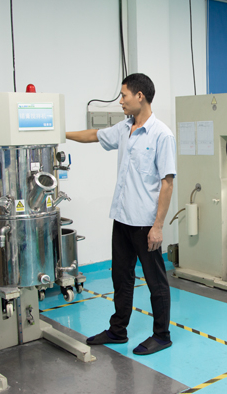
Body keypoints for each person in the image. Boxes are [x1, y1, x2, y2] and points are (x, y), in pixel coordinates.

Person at [66, 73, 176, 355]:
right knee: (121, 278)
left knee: (155, 281)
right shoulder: (125, 127)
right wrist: (60, 134)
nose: (120, 101)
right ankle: (118, 331)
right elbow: (94, 135)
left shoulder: (161, 134)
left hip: (145, 223)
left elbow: (167, 183)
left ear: (140, 96)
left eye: (124, 95)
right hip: (122, 218)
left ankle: (162, 335)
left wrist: (158, 226)